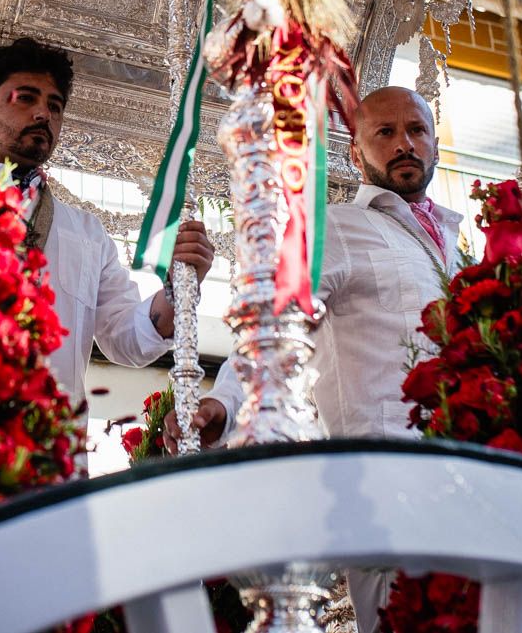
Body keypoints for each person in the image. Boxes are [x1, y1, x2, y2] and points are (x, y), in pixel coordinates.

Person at [170, 85, 463, 633]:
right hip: (382, 479)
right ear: (356, 153)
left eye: (416, 130)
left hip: (468, 475)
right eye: (384, 133)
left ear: (435, 144)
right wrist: (224, 405)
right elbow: (275, 324)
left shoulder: (457, 242)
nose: (404, 144)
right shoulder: (333, 226)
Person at [0, 37, 215, 446]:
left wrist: (177, 286)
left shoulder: (85, 232)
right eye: (25, 98)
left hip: (48, 459)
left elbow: (126, 341)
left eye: (54, 106)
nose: (42, 114)